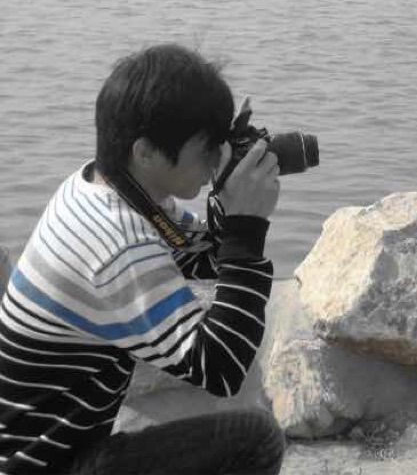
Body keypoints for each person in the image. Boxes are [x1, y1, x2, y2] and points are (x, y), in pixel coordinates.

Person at [0, 44, 285, 475]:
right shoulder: (116, 243)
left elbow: (201, 259)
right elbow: (221, 367)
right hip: (50, 466)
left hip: (46, 451)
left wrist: (230, 196)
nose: (215, 160)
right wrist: (247, 229)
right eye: (207, 148)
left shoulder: (100, 187)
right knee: (257, 439)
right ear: (146, 152)